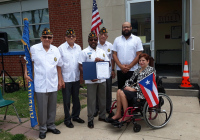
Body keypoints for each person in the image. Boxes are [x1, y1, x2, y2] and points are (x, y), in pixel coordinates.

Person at [24, 28, 63, 139]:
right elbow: (27, 62)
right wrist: (26, 74)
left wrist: (60, 80)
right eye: (44, 37)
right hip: (40, 84)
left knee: (52, 107)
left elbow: (59, 66)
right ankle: (42, 129)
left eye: (49, 37)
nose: (47, 39)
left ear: (52, 39)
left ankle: (51, 125)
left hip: (53, 83)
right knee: (42, 108)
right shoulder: (34, 49)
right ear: (41, 38)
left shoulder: (56, 50)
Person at [106, 53, 156, 123]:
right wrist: (127, 86)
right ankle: (118, 114)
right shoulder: (137, 70)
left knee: (122, 93)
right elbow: (130, 80)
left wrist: (134, 89)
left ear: (148, 61)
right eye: (140, 60)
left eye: (143, 60)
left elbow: (147, 85)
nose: (141, 62)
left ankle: (126, 116)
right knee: (119, 91)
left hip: (142, 93)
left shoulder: (151, 70)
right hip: (133, 90)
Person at [78, 32, 109, 129]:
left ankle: (102, 116)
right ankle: (90, 119)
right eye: (91, 40)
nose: (93, 41)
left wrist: (101, 61)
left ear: (97, 40)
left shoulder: (102, 51)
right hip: (91, 80)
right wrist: (89, 76)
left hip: (102, 79)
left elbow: (108, 63)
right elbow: (80, 66)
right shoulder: (84, 52)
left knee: (102, 98)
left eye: (95, 40)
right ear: (88, 41)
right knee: (91, 100)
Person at [58, 28, 85, 128]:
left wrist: (82, 76)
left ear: (75, 38)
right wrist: (60, 79)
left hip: (76, 78)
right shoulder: (60, 48)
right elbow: (59, 65)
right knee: (66, 100)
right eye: (69, 36)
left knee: (76, 99)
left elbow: (80, 63)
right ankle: (67, 119)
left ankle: (76, 116)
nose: (71, 37)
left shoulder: (78, 47)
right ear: (65, 37)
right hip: (66, 79)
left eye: (73, 36)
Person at [113, 22, 143, 89]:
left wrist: (129, 66)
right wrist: (121, 66)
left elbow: (139, 55)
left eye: (127, 27)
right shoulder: (117, 40)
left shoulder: (137, 39)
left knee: (131, 91)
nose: (126, 28)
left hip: (133, 70)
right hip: (120, 70)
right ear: (122, 28)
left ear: (131, 28)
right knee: (121, 90)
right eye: (124, 27)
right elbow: (114, 55)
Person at [94, 27, 115, 117]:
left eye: (105, 35)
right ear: (98, 35)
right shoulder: (95, 45)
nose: (103, 36)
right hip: (97, 72)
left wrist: (113, 70)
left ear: (107, 36)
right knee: (97, 91)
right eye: (101, 34)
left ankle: (108, 108)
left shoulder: (110, 45)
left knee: (108, 91)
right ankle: (96, 109)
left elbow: (112, 59)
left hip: (107, 72)